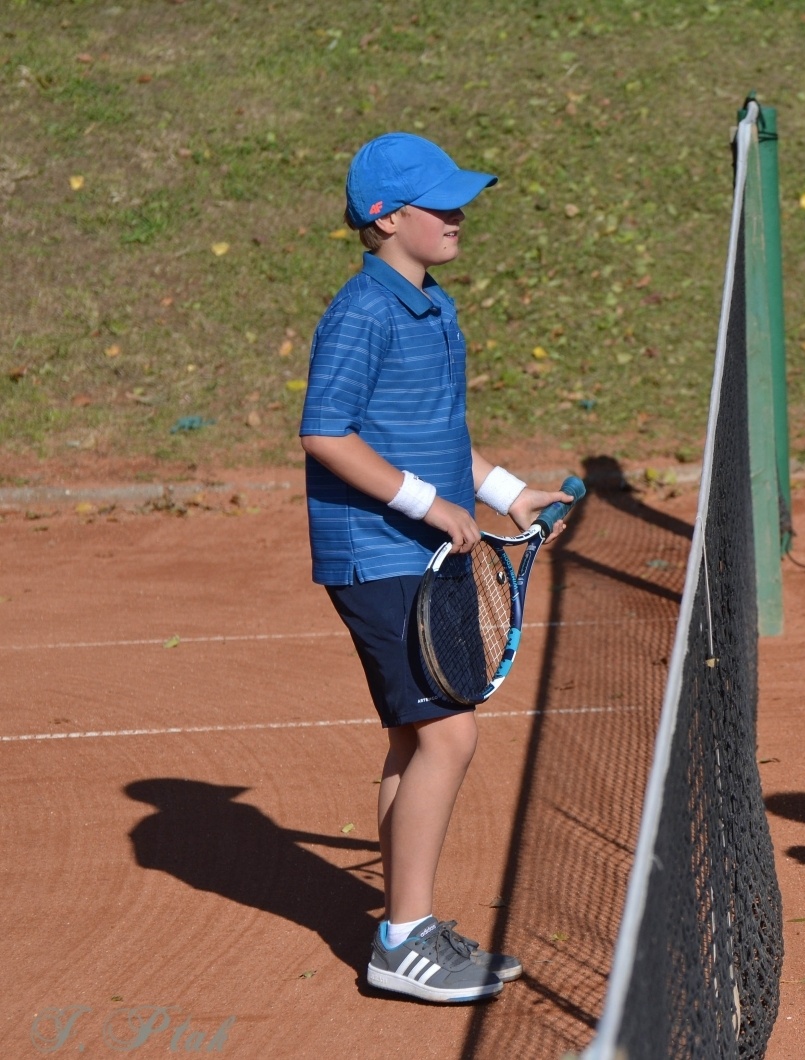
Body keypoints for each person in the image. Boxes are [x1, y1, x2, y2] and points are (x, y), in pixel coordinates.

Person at [299, 132, 573, 1003]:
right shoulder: (363, 313)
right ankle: (404, 943)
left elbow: (437, 433)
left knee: (415, 737)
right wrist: (427, 504)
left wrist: (504, 492)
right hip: (379, 553)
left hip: (422, 550)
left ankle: (402, 925)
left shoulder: (432, 305)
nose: (460, 218)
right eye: (442, 205)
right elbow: (325, 432)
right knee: (451, 735)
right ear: (387, 218)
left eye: (461, 202)